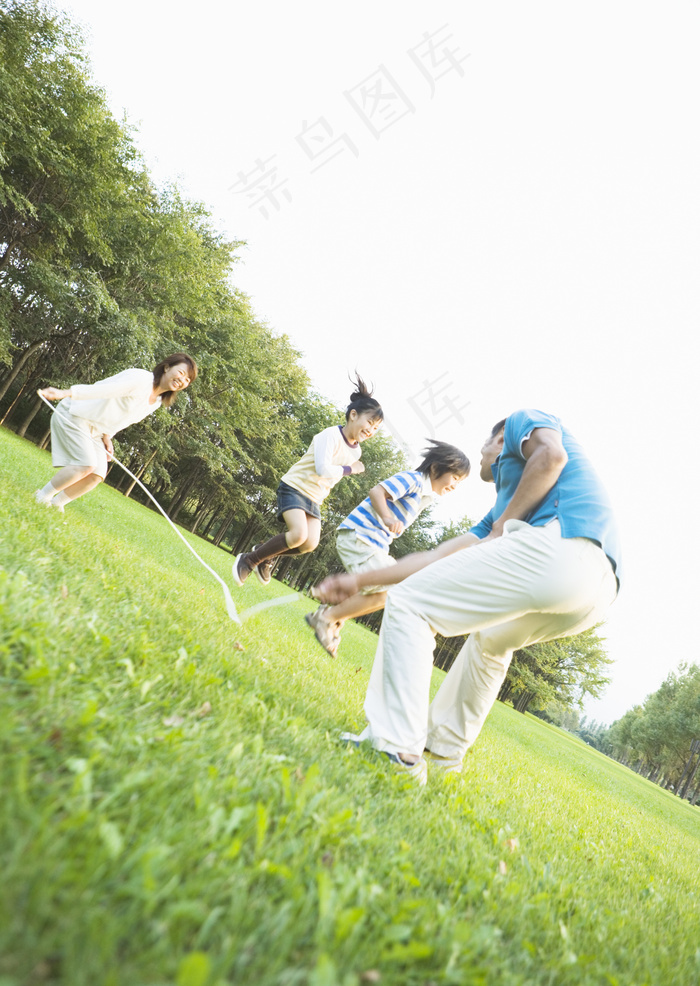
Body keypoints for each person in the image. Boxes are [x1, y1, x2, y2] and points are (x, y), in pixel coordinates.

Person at [312, 409, 622, 785]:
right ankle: (442, 754)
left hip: (562, 544)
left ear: (502, 439)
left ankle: (396, 748)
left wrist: (501, 529)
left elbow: (551, 457)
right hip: (597, 591)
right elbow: (436, 557)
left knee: (410, 603)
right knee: (492, 641)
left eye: (484, 447)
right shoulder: (503, 511)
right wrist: (361, 579)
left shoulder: (526, 419)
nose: (479, 456)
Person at [305, 439, 470, 657]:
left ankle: (332, 618)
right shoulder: (414, 480)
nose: (455, 485)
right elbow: (376, 492)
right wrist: (387, 517)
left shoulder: (424, 495)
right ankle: (327, 618)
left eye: (460, 481)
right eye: (455, 477)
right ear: (435, 467)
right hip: (360, 536)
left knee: (395, 591)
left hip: (372, 544)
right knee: (394, 587)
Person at [231, 375, 383, 588]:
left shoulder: (356, 451)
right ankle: (250, 559)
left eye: (376, 428)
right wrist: (350, 469)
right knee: (298, 534)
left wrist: (350, 467)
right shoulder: (330, 435)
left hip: (315, 498)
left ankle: (265, 552)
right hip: (295, 487)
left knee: (309, 544)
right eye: (370, 422)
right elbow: (323, 469)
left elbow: (330, 477)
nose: (371, 430)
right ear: (353, 415)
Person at [34, 354, 197, 511]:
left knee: (97, 474)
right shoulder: (141, 379)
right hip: (75, 413)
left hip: (96, 430)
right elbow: (103, 390)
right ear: (167, 367)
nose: (182, 380)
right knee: (86, 464)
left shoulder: (157, 401)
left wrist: (107, 437)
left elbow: (124, 418)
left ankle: (57, 503)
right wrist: (65, 393)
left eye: (187, 379)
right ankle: (42, 496)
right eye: (181, 373)